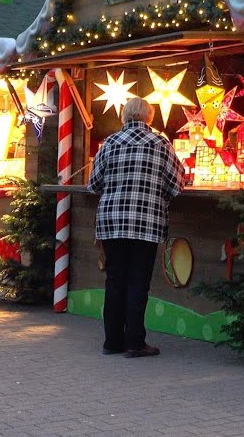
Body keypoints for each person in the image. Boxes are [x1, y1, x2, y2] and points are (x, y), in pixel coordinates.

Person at [89, 97, 185, 358]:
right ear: (149, 117)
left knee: (114, 281)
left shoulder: (109, 143)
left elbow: (93, 184)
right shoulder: (160, 144)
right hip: (146, 222)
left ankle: (112, 342)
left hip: (111, 222)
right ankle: (134, 343)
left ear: (124, 116)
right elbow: (178, 183)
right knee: (138, 282)